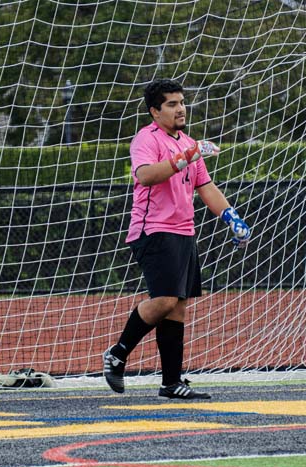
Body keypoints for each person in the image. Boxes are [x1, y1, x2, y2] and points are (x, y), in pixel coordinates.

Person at [103, 78, 251, 399]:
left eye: (181, 102)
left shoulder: (188, 142)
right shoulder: (146, 138)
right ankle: (118, 354)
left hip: (184, 232)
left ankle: (171, 382)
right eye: (171, 104)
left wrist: (232, 218)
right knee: (166, 299)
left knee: (178, 307)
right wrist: (184, 157)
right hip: (153, 230)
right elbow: (145, 175)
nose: (180, 108)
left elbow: (206, 187)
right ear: (155, 111)